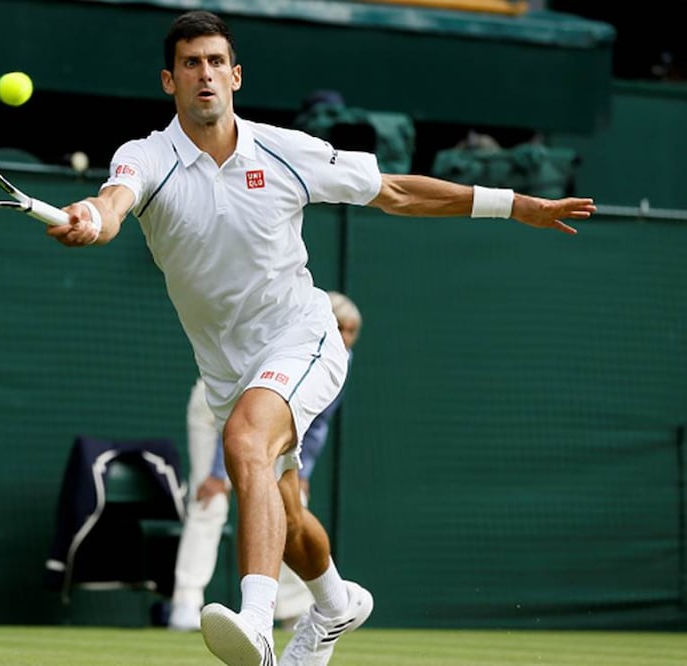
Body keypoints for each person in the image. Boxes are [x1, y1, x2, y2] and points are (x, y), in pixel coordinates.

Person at [46, 10, 596, 665]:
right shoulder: (145, 157)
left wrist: (514, 203)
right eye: (191, 64)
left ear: (236, 76)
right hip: (226, 368)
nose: (205, 75)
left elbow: (395, 192)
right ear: (170, 80)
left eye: (216, 62)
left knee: (244, 441)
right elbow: (113, 203)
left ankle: (256, 621)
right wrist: (91, 217)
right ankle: (335, 604)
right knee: (283, 512)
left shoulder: (285, 151)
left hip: (301, 337)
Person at [168, 292, 363, 633]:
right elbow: (238, 421)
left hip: (269, 411)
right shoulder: (294, 333)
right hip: (221, 402)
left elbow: (317, 423)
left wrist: (302, 469)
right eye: (339, 327)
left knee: (291, 505)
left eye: (351, 331)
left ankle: (297, 610)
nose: (344, 336)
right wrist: (218, 474)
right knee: (211, 500)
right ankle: (186, 601)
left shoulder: (338, 359)